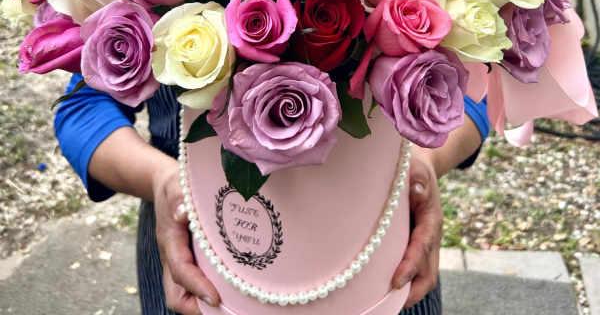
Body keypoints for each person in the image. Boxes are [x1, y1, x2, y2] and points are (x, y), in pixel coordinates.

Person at [55, 74, 489, 315]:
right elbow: (83, 107)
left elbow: (475, 90)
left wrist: (426, 161)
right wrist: (160, 179)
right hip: (201, 250)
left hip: (381, 263)